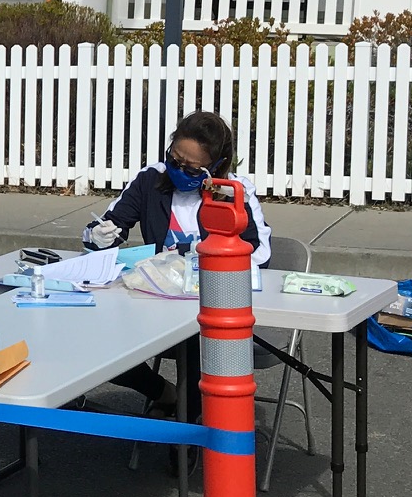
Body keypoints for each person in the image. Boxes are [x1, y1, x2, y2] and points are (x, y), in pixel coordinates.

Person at [84, 109, 272, 409]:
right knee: (96, 340)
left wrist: (203, 264)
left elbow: (260, 252)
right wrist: (98, 236)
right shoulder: (151, 180)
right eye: (175, 160)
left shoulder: (234, 191)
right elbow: (109, 225)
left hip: (210, 304)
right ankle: (164, 394)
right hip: (156, 303)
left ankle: (190, 431)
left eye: (192, 169)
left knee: (197, 343)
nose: (179, 170)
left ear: (217, 166)